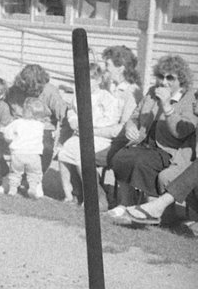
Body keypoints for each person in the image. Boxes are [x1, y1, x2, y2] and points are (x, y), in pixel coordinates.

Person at [108, 55, 197, 216]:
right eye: (161, 77)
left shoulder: (189, 98)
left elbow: (181, 132)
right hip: (145, 143)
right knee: (120, 157)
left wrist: (166, 104)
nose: (164, 82)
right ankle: (126, 203)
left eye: (170, 78)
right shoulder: (151, 92)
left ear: (181, 81)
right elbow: (134, 117)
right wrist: (130, 128)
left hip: (170, 149)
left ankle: (152, 211)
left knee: (142, 162)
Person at [56, 63, 122, 203]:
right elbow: (72, 111)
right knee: (64, 152)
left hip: (99, 136)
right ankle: (70, 193)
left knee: (82, 156)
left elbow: (111, 119)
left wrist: (90, 126)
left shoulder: (107, 98)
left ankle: (91, 197)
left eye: (89, 79)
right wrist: (74, 121)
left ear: (98, 80)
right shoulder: (79, 96)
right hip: (80, 134)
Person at [2, 97, 48, 198]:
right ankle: (32, 188)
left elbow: (7, 134)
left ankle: (12, 189)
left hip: (18, 153)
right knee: (34, 173)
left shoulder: (17, 123)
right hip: (34, 154)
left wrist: (10, 139)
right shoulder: (40, 125)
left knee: (15, 172)